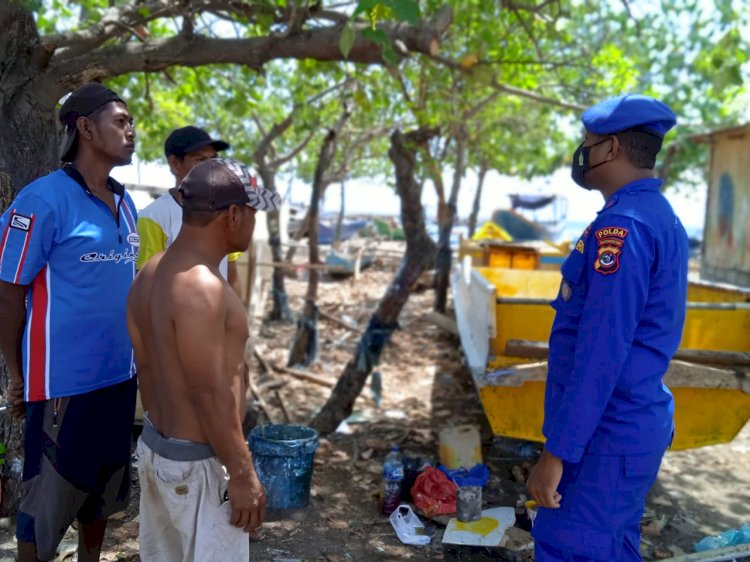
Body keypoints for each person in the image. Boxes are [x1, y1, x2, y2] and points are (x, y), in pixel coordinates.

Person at [526, 94, 689, 561]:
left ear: (612, 148)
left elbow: (600, 355)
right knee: (613, 547)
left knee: (570, 548)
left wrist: (556, 454)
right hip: (629, 428)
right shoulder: (659, 216)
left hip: (604, 437)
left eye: (589, 144)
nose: (583, 154)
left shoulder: (623, 227)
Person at [0, 83, 138, 562]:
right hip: (61, 385)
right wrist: (17, 375)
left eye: (132, 121)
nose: (131, 130)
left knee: (99, 499)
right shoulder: (41, 200)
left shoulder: (125, 202)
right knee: (43, 511)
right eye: (120, 121)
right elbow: (10, 290)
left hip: (119, 380)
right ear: (84, 127)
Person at [127, 157, 281, 561]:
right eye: (252, 213)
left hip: (158, 448)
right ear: (233, 214)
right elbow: (210, 392)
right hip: (197, 467)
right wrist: (243, 474)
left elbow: (146, 366)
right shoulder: (201, 287)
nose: (253, 223)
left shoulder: (150, 272)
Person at [136, 125, 244, 295]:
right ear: (175, 163)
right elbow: (144, 287)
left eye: (214, 159)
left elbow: (232, 277)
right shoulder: (153, 217)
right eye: (201, 160)